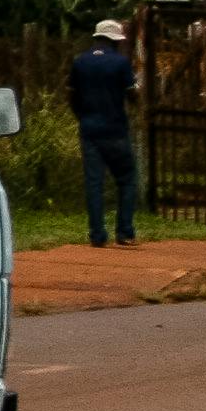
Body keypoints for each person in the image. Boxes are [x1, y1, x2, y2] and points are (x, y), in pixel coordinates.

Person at [68, 17, 140, 250]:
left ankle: (97, 235)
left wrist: (82, 116)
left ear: (97, 37)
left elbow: (71, 95)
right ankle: (125, 232)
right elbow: (132, 94)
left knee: (94, 183)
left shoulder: (80, 62)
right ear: (115, 40)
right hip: (115, 128)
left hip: (89, 128)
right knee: (127, 180)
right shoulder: (120, 63)